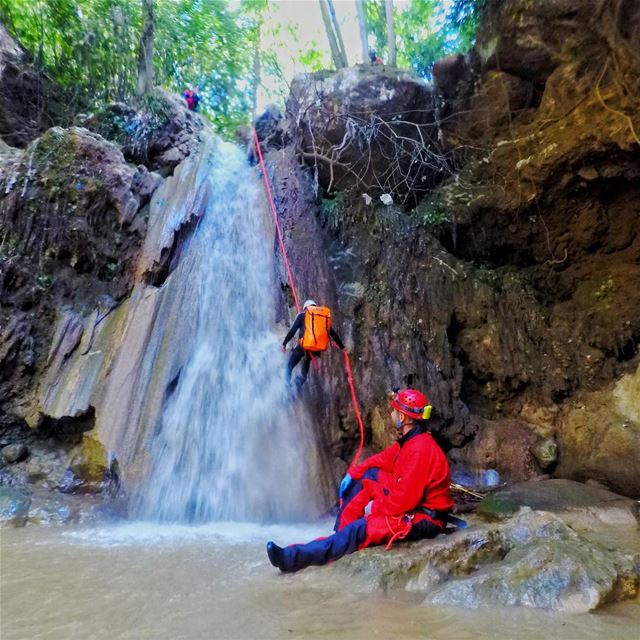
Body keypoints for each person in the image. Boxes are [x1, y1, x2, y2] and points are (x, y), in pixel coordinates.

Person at [266, 388, 456, 573]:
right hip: (413, 505)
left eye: (395, 411)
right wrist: (353, 473)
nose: (392, 414)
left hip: (425, 519)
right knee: (367, 477)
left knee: (362, 528)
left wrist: (373, 508)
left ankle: (292, 558)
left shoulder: (420, 450)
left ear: (403, 418)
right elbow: (380, 460)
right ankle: (340, 536)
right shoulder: (410, 442)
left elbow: (402, 503)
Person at [281, 300, 345, 391]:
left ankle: (286, 388)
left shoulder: (302, 315)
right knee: (304, 373)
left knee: (289, 366)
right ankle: (295, 388)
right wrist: (342, 347)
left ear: (305, 308)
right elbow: (333, 333)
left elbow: (292, 331)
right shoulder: (322, 318)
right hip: (314, 350)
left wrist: (284, 343)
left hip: (302, 347)